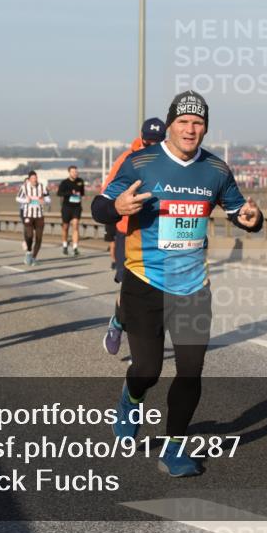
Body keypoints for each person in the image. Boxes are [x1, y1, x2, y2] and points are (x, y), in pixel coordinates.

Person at [93, 91, 262, 476]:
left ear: (205, 128)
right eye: (184, 122)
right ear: (170, 124)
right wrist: (115, 209)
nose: (191, 129)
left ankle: (174, 447)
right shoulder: (141, 163)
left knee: (190, 369)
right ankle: (131, 397)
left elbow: (239, 210)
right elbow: (100, 205)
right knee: (148, 370)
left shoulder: (216, 170)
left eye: (198, 123)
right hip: (144, 281)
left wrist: (252, 218)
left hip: (192, 287)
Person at [101, 117, 167, 356]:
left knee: (155, 293)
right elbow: (106, 196)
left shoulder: (169, 160)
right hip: (127, 231)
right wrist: (119, 207)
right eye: (149, 142)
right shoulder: (127, 160)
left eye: (158, 142)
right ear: (141, 138)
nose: (153, 146)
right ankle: (119, 323)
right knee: (127, 285)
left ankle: (143, 349)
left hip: (157, 233)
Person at [16, 170, 51, 266]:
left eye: (36, 178)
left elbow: (48, 199)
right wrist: (25, 200)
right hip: (28, 214)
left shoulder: (42, 187)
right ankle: (28, 252)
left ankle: (34, 258)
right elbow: (17, 198)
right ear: (29, 179)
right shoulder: (24, 187)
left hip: (39, 215)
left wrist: (44, 201)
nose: (35, 180)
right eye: (33, 178)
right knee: (30, 235)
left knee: (39, 238)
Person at [57, 165, 85, 257]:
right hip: (66, 207)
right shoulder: (65, 182)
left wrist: (80, 196)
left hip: (76, 207)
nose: (75, 173)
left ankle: (75, 248)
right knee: (65, 227)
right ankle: (65, 246)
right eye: (73, 172)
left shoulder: (80, 181)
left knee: (75, 226)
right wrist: (70, 193)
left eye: (76, 172)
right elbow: (59, 193)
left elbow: (82, 193)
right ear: (69, 172)